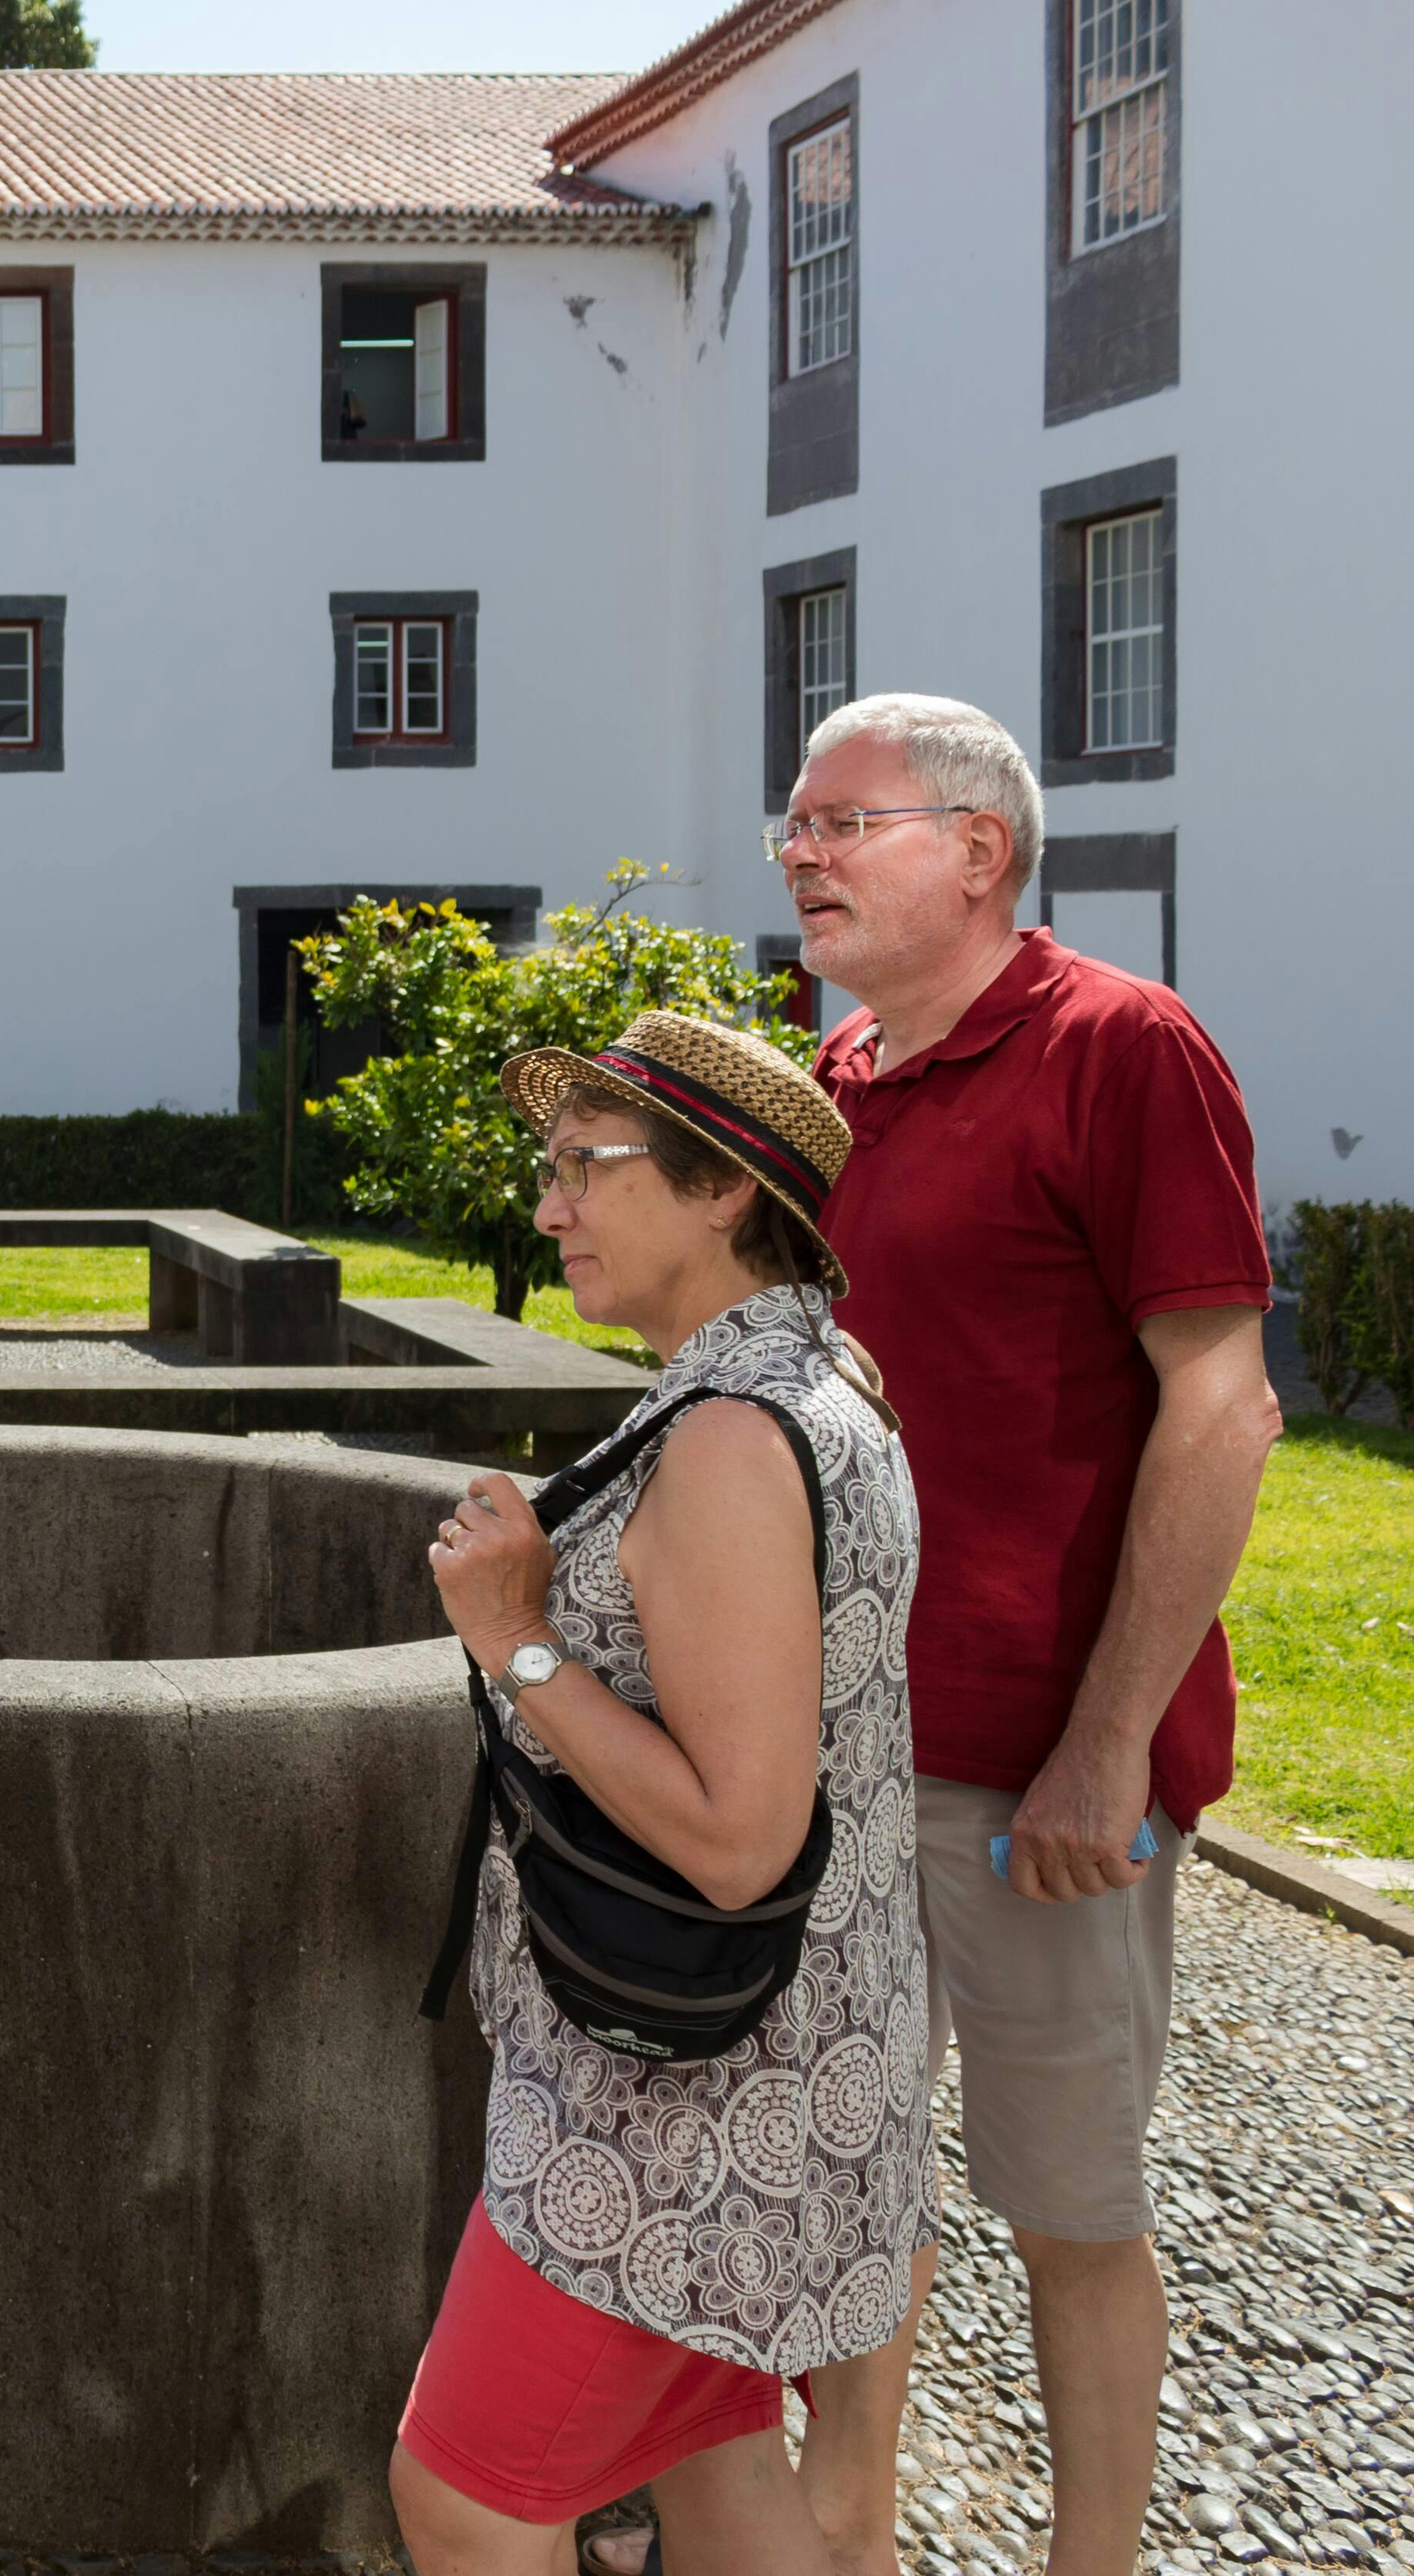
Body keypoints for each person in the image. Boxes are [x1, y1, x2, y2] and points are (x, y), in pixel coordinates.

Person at [782, 693, 1280, 2576]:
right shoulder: (832, 1077)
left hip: (1034, 1772)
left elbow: (1220, 1404)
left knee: (1068, 2206)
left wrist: (1105, 1743)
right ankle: (844, 2540)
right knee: (851, 2184)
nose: (802, 856)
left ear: (977, 847)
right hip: (830, 1753)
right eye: (793, 831)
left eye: (842, 823)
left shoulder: (1122, 1050)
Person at [396, 1010, 932, 2576]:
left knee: (466, 2494)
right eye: (546, 1167)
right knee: (711, 2466)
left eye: (584, 1165)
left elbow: (736, 1829)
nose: (549, 1204)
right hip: (785, 2058)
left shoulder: (727, 1439)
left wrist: (517, 1639)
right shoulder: (823, 1381)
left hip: (670, 2106)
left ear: (720, 1194)